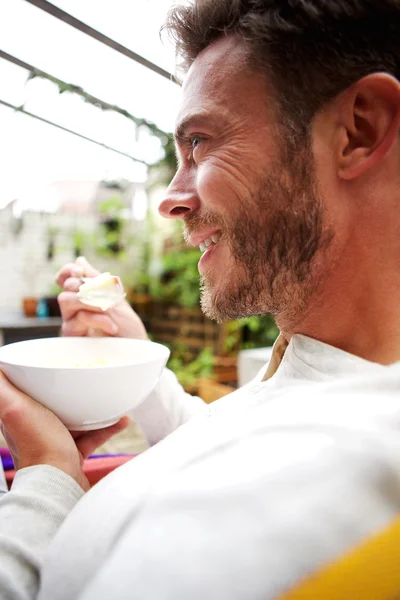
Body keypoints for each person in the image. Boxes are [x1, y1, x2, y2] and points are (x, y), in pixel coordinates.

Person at [1, 1, 400, 598]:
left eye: (200, 143)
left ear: (358, 130)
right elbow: (226, 430)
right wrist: (140, 364)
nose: (171, 198)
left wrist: (47, 478)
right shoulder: (330, 371)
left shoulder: (304, 490)